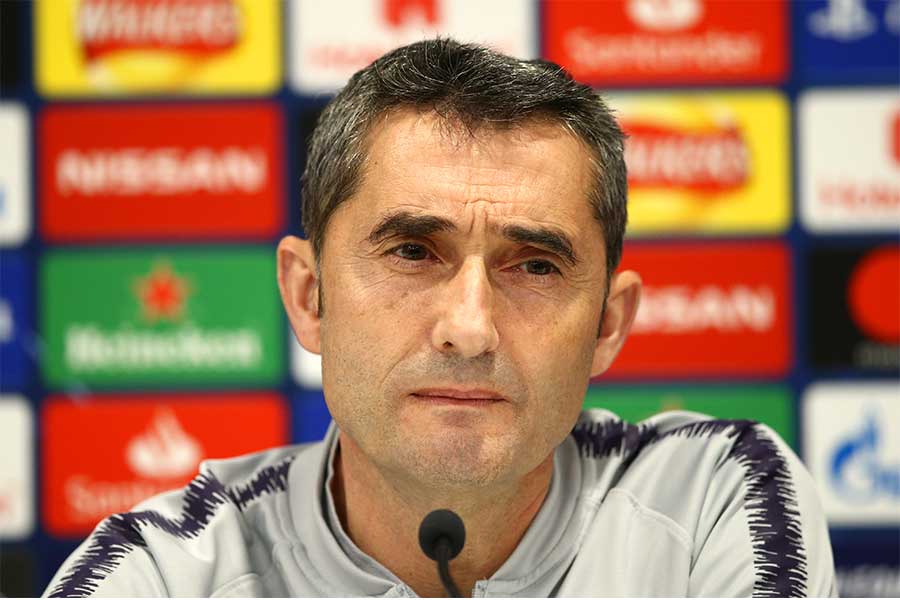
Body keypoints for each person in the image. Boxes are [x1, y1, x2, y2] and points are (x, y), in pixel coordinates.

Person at [45, 38, 837, 598]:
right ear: (310, 297)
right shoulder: (163, 573)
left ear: (607, 323)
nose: (470, 327)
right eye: (413, 252)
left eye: (534, 266)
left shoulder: (713, 498)